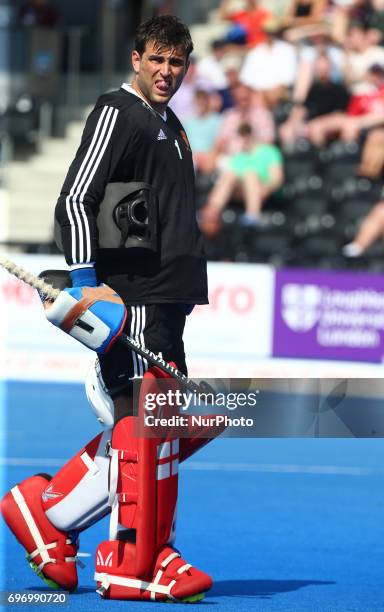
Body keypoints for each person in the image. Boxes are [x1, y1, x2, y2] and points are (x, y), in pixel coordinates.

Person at [1, 15, 213, 603]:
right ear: (137, 58)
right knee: (151, 422)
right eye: (158, 61)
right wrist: (88, 281)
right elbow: (75, 198)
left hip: (166, 297)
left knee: (170, 425)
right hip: (131, 295)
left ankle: (50, 515)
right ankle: (135, 557)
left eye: (178, 63)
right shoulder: (116, 111)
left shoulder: (168, 122)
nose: (168, 72)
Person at [200, 122, 284, 235]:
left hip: (263, 191)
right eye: (242, 134)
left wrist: (265, 189)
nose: (245, 137)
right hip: (241, 192)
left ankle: (253, 215)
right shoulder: (239, 156)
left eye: (248, 133)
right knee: (230, 174)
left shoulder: (270, 152)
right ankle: (212, 211)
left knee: (250, 174)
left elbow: (277, 179)